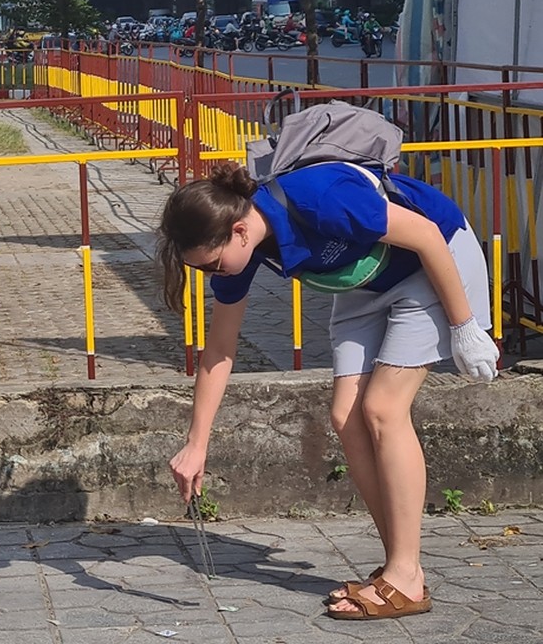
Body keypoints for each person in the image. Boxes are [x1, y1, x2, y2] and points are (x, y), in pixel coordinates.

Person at [156, 161, 498, 621]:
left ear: (238, 231)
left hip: (434, 266)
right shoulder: (240, 248)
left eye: (212, 264)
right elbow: (219, 351)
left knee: (382, 408)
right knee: (345, 415)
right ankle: (401, 567)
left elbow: (426, 236)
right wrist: (196, 445)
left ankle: (405, 575)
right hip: (365, 285)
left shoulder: (322, 198)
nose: (212, 275)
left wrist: (465, 327)